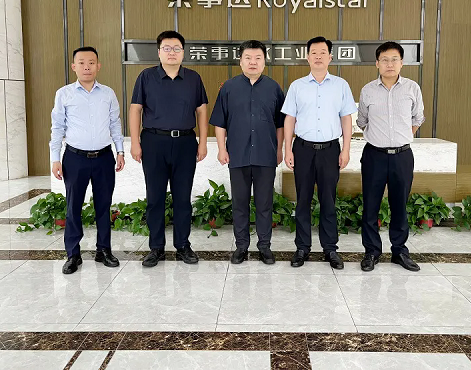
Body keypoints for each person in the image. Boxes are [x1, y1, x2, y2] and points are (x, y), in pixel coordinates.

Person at [130, 30, 208, 267]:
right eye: (167, 48)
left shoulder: (193, 78)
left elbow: (201, 111)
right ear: (159, 52)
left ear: (183, 52)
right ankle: (156, 247)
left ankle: (183, 245)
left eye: (176, 48)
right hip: (154, 142)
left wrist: (203, 142)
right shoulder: (146, 77)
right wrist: (135, 142)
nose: (171, 53)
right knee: (155, 198)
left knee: (182, 197)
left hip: (185, 142)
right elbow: (135, 109)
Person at [281, 36, 357, 269]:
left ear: (330, 57)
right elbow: (289, 119)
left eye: (323, 52)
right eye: (313, 52)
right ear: (307, 57)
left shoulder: (341, 85)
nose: (318, 56)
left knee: (328, 200)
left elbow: (346, 118)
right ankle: (302, 248)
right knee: (302, 200)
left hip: (330, 150)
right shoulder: (297, 86)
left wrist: (346, 149)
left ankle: (330, 248)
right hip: (303, 149)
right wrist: (287, 148)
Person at [50, 46, 125, 275]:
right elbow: (57, 127)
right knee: (73, 206)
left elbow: (115, 123)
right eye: (81, 63)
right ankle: (73, 254)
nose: (87, 67)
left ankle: (104, 250)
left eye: (91, 63)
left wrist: (120, 151)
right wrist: (55, 158)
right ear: (74, 66)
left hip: (104, 157)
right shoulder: (64, 94)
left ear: (98, 66)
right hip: (75, 158)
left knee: (104, 205)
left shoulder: (108, 94)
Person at [210, 40, 285, 265]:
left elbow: (280, 124)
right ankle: (241, 246)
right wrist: (221, 149)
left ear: (264, 61)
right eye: (248, 58)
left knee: (264, 204)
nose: (253, 62)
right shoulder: (229, 88)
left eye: (258, 58)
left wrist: (279, 149)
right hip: (238, 155)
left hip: (265, 155)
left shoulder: (274, 88)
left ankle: (264, 247)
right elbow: (220, 122)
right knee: (239, 204)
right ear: (240, 61)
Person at [356, 41, 425, 272]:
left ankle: (399, 251)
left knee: (399, 206)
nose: (390, 64)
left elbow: (417, 119)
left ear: (401, 63)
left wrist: (401, 137)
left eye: (394, 59)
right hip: (374, 155)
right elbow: (362, 121)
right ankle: (371, 252)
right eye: (384, 60)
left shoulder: (412, 88)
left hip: (402, 156)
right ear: (377, 63)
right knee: (370, 206)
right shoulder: (367, 90)